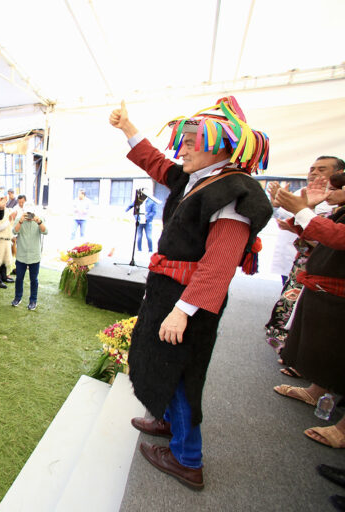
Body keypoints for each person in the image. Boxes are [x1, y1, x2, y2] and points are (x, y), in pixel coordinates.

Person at [109, 97, 272, 489]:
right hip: (170, 291)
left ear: (220, 145)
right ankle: (166, 422)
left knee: (182, 373)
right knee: (161, 361)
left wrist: (183, 310)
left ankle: (188, 459)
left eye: (193, 141)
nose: (182, 148)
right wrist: (128, 127)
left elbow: (219, 264)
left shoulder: (233, 192)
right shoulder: (198, 177)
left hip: (189, 300)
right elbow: (155, 162)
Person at [272, 171, 345, 449]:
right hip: (324, 291)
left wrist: (303, 211)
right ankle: (317, 392)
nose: (327, 184)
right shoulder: (338, 211)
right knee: (325, 351)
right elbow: (322, 240)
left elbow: (339, 238)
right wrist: (306, 212)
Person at [264, 156, 342, 354]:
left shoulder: (333, 204)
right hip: (305, 263)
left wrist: (301, 211)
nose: (314, 173)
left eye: (321, 169)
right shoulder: (310, 194)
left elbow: (332, 237)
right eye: (312, 169)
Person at [11, 203, 47, 310]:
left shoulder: (39, 219)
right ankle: (18, 298)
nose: (29, 216)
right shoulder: (19, 219)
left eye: (31, 213)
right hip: (21, 255)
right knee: (19, 278)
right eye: (28, 213)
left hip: (35, 255)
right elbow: (14, 231)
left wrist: (38, 221)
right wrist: (21, 221)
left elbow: (45, 231)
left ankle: (33, 301)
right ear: (24, 212)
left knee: (34, 279)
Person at [0, 196, 16, 288]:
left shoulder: (8, 211)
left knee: (5, 260)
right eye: (2, 201)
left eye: (5, 201)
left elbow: (11, 226)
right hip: (0, 239)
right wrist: (9, 220)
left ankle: (3, 277)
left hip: (8, 239)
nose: (4, 203)